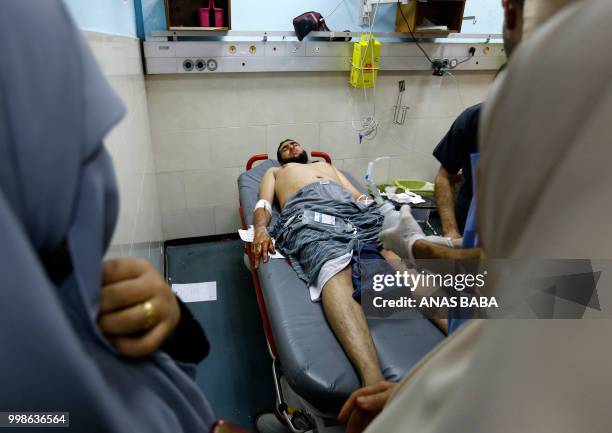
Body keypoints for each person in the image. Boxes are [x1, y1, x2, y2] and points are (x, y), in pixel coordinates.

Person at [0, 1, 220, 432]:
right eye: (84, 149)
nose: (100, 176)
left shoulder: (72, 284)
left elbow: (186, 352)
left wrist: (171, 318)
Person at [252, 139, 395, 387]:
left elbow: (356, 194)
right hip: (309, 211)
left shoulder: (327, 165)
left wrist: (384, 212)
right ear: (280, 158)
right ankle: (373, 381)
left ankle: (463, 334)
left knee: (396, 254)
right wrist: (261, 230)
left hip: (351, 209)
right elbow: (264, 204)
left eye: (294, 144)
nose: (291, 148)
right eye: (285, 148)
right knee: (333, 264)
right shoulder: (276, 171)